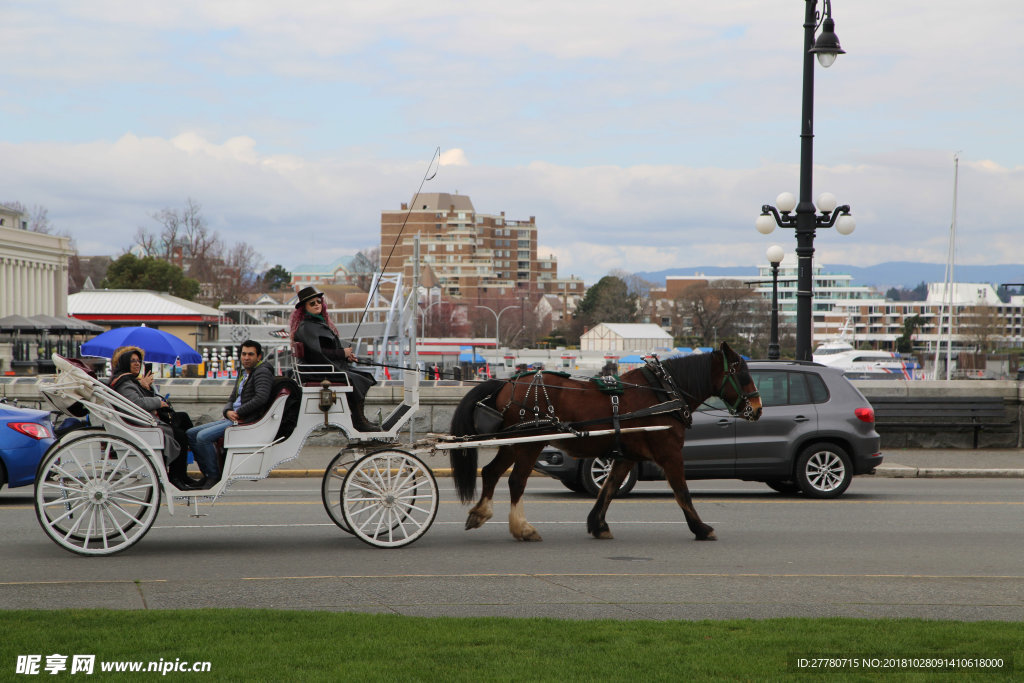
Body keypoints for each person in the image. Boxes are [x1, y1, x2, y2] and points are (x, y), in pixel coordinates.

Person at [186, 340, 274, 488]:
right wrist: (227, 411)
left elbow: (261, 398)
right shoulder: (243, 372)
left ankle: (214, 477)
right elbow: (233, 398)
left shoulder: (262, 372)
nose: (246, 357)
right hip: (233, 416)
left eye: (250, 354)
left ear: (259, 357)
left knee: (202, 437)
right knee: (190, 433)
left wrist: (238, 413)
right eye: (244, 354)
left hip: (245, 419)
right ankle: (207, 474)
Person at [290, 286, 377, 432]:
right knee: (357, 379)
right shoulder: (307, 327)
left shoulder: (316, 324)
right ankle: (359, 421)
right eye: (312, 303)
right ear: (304, 308)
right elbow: (318, 354)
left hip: (319, 367)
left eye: (318, 301)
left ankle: (358, 418)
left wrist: (345, 356)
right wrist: (341, 353)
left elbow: (324, 350)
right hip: (316, 370)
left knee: (363, 375)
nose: (317, 304)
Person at [109, 346, 197, 490]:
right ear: (125, 363)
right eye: (132, 361)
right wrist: (158, 402)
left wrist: (145, 386)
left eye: (138, 361)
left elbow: (140, 398)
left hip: (144, 419)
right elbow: (137, 402)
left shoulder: (128, 380)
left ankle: (181, 474)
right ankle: (176, 476)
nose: (137, 363)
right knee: (180, 434)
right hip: (141, 424)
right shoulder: (124, 383)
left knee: (182, 422)